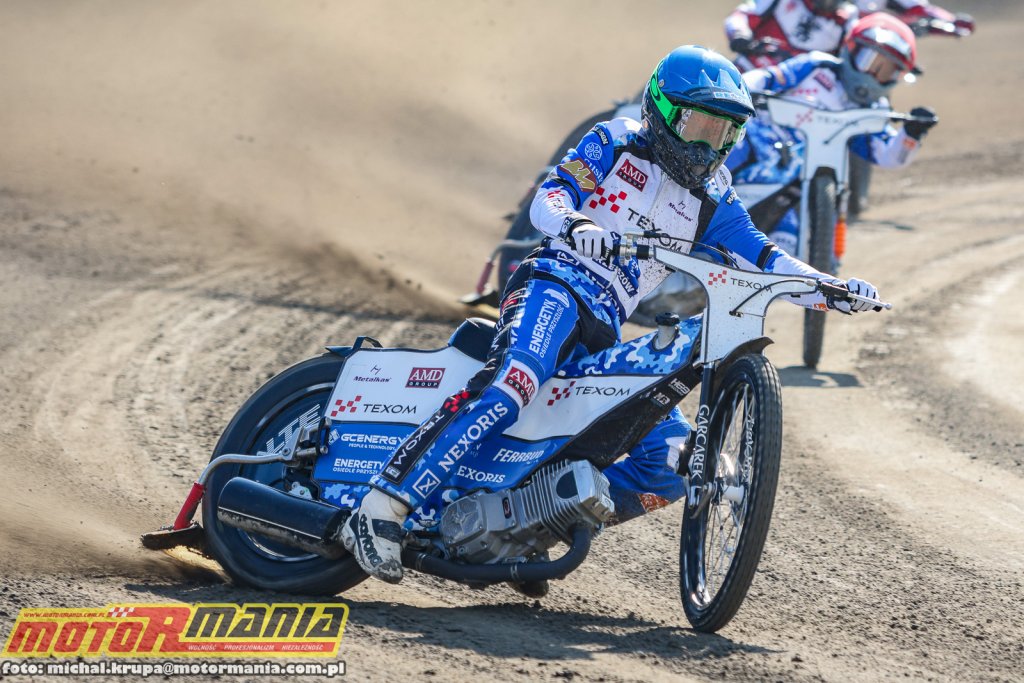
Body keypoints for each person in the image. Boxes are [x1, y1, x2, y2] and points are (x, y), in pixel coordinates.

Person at [341, 45, 882, 584]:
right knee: (515, 381)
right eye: (698, 127)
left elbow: (768, 261)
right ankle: (382, 506)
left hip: (604, 327)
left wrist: (830, 290)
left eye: (724, 134)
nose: (707, 147)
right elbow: (549, 198)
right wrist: (577, 225)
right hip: (556, 284)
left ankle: (527, 528)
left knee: (671, 463)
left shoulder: (716, 196)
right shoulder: (616, 139)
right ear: (662, 110)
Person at [725, 12, 938, 256]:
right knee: (731, 149)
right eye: (870, 61)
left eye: (885, 71)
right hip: (758, 141)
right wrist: (739, 90)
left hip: (798, 188)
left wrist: (911, 134)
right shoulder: (816, 65)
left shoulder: (874, 109)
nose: (872, 75)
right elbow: (768, 77)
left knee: (784, 250)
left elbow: (889, 156)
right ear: (850, 49)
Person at [725, 0, 860, 72]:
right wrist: (740, 34)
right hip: (747, 71)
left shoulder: (848, 23)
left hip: (794, 98)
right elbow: (741, 15)